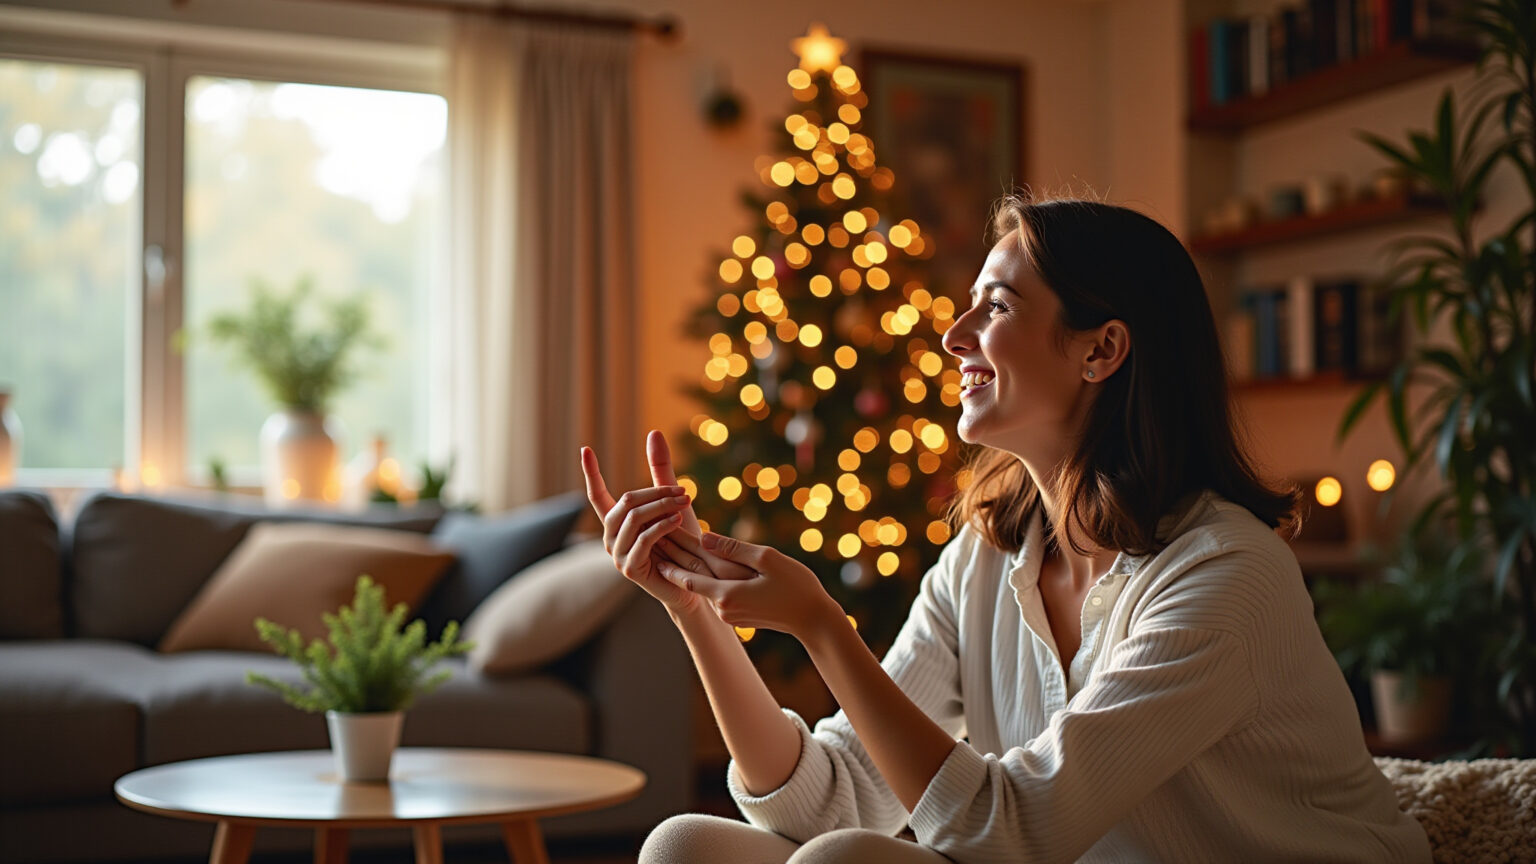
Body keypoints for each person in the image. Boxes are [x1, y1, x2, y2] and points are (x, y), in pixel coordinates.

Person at [579, 194, 1432, 863]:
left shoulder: (1224, 575)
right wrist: (697, 615)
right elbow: (827, 799)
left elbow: (1011, 835)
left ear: (1100, 351)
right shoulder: (986, 558)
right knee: (684, 846)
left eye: (993, 307)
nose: (953, 337)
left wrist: (822, 628)